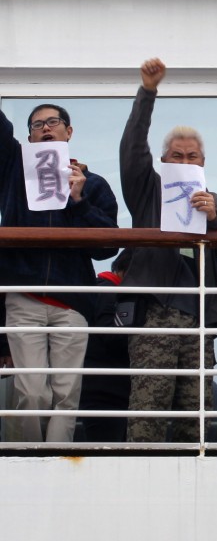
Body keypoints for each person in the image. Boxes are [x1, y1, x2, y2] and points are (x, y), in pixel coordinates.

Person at [119, 58, 217, 443]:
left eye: (192, 157)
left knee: (196, 410)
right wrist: (147, 92)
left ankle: (195, 486)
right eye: (177, 156)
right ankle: (141, 477)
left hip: (200, 316)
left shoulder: (213, 199)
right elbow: (132, 147)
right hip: (155, 310)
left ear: (203, 163)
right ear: (163, 160)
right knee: (149, 410)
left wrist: (215, 216)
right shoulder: (147, 188)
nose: (185, 162)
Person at [0, 100, 118, 442]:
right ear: (29, 137)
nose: (46, 128)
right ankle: (31, 456)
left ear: (69, 131)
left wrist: (78, 201)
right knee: (32, 392)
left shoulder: (92, 183)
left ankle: (57, 458)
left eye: (53, 122)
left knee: (67, 394)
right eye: (37, 125)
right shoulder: (13, 171)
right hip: (25, 297)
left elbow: (107, 247)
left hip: (73, 300)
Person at [77, 249, 133, 443]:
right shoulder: (110, 292)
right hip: (106, 394)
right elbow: (111, 336)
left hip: (98, 390)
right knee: (108, 454)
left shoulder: (98, 289)